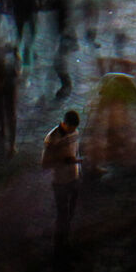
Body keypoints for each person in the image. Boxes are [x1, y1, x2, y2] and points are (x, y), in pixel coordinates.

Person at [42, 109, 82, 257]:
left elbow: (76, 152)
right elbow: (45, 164)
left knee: (70, 211)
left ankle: (65, 237)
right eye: (71, 128)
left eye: (75, 129)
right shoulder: (52, 139)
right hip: (60, 181)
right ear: (64, 124)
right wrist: (64, 161)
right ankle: (59, 244)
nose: (73, 131)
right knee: (62, 214)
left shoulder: (75, 133)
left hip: (74, 177)